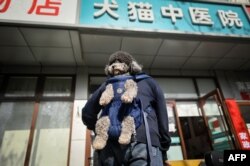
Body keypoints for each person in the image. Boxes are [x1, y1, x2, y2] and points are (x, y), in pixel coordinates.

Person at [82, 51, 171, 166]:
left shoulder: (107, 85)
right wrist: (164, 144)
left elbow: (87, 113)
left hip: (110, 145)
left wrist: (101, 128)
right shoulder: (149, 82)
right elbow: (162, 116)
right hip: (144, 142)